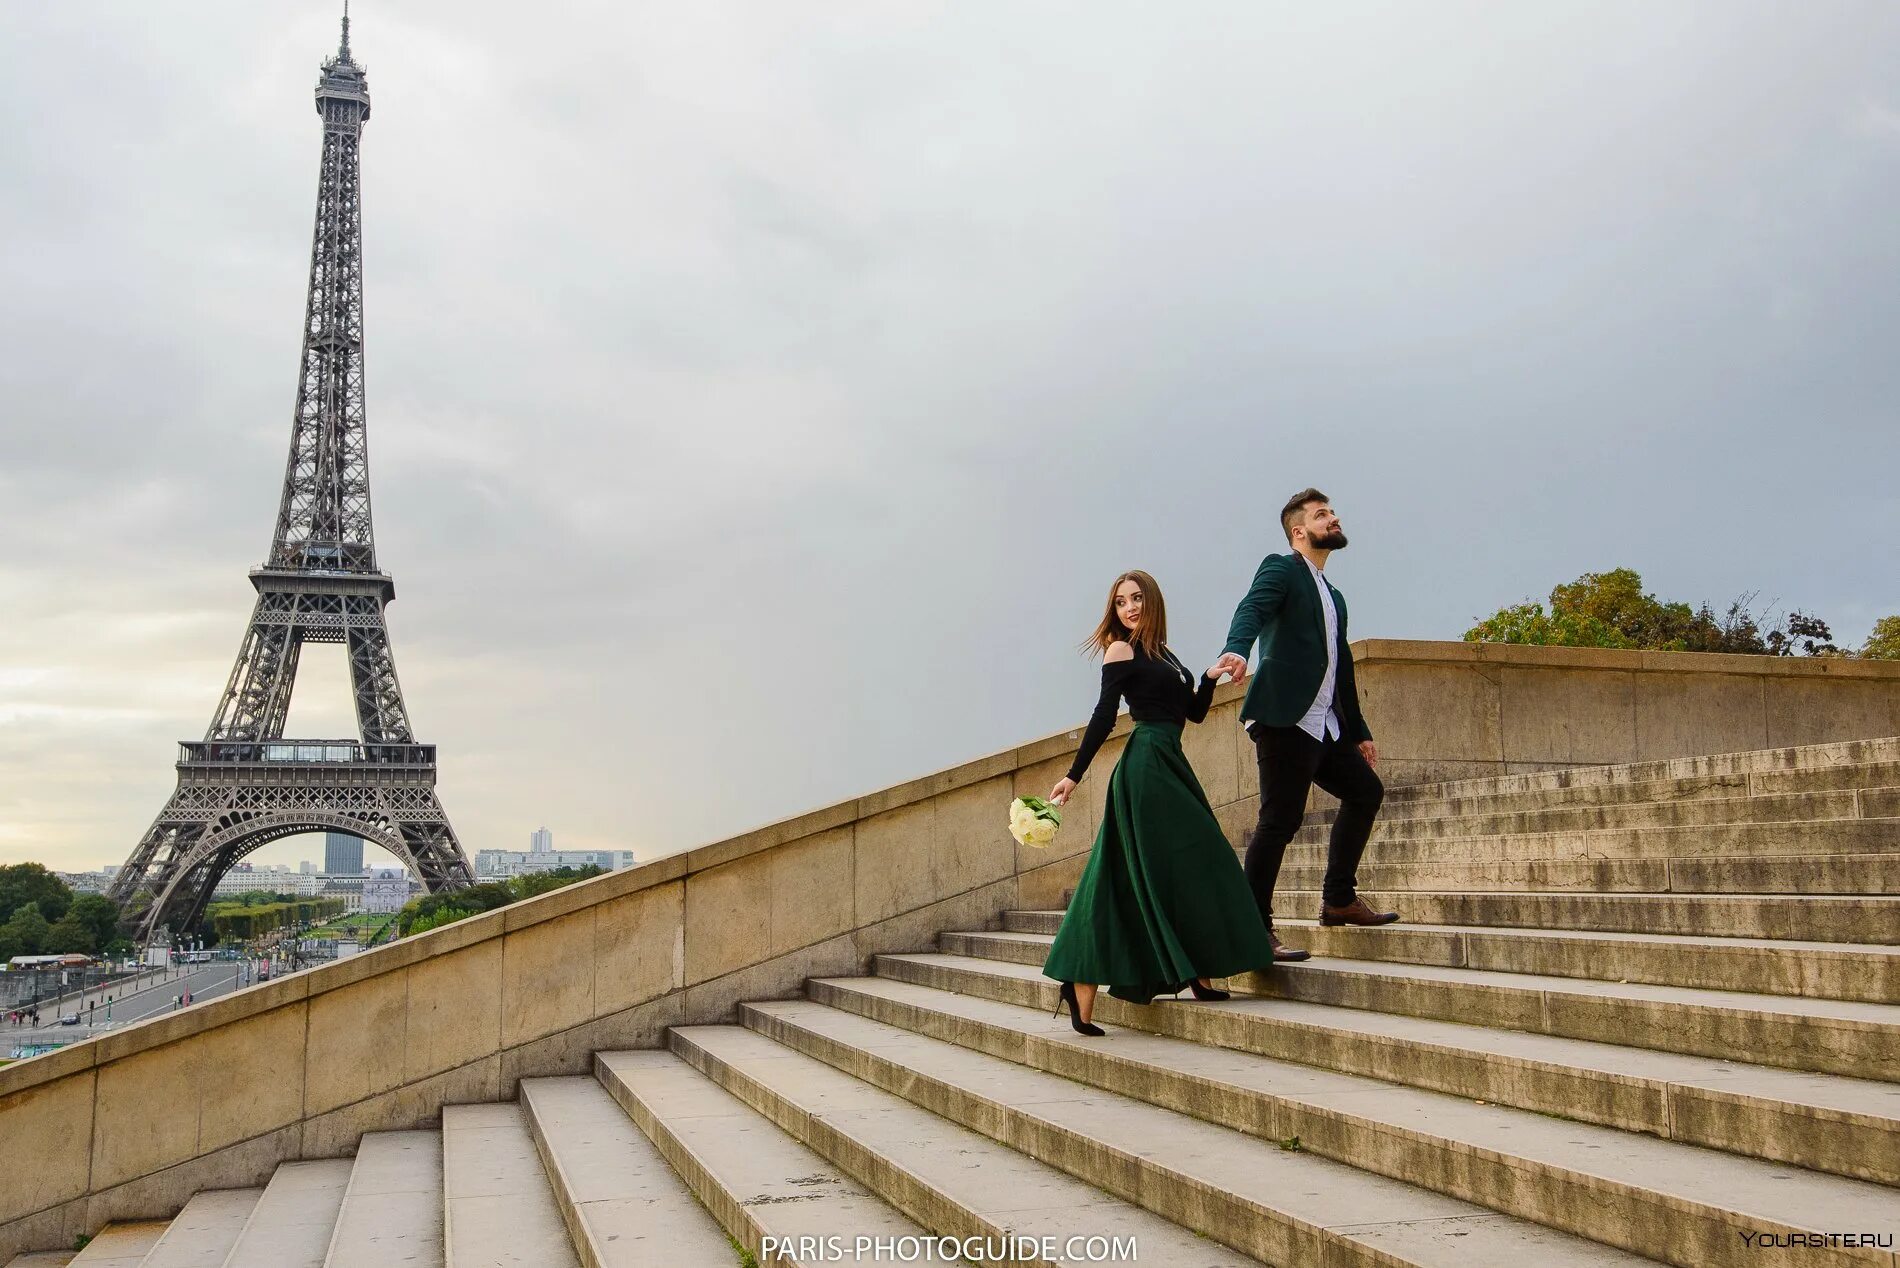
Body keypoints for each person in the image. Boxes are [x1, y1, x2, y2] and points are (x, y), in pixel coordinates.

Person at [1041, 570, 1277, 1036]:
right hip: (1146, 768)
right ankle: (1084, 977)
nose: (1129, 607)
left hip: (1170, 762)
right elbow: (1105, 715)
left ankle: (1194, 972)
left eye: (1137, 599)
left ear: (1153, 603)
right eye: (1121, 601)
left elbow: (1192, 712)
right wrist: (1073, 775)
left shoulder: (1164, 655)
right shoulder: (1121, 651)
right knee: (1149, 869)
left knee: (1190, 865)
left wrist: (1208, 677)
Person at [1215, 488, 1398, 962]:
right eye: (1322, 515)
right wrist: (1236, 648)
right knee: (1279, 821)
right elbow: (1250, 608)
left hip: (1326, 726)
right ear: (1300, 531)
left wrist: (1358, 730)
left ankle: (1338, 899)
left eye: (1333, 512)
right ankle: (1253, 927)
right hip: (1284, 717)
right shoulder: (1281, 568)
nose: (1333, 518)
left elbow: (1342, 669)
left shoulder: (1333, 595)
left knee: (1366, 793)